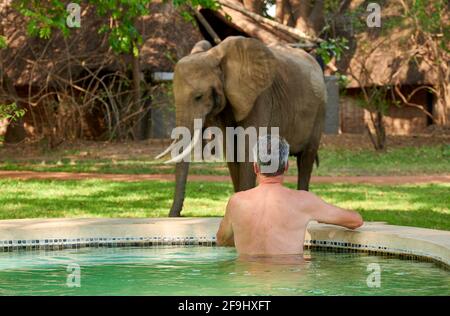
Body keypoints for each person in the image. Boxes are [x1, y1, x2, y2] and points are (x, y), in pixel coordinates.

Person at [216, 134, 363, 256]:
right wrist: (323, 217)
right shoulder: (303, 201)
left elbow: (221, 239)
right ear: (286, 166)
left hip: (246, 286)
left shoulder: (237, 202)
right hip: (289, 282)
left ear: (255, 167)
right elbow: (356, 221)